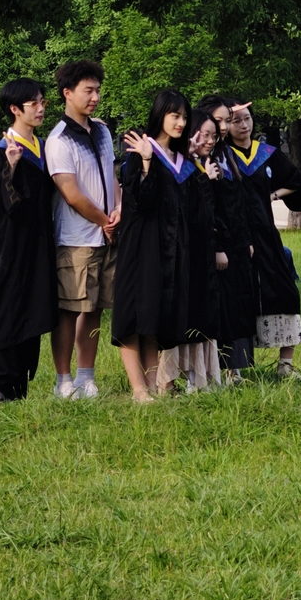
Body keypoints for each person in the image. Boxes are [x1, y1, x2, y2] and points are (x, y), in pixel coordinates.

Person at [0, 79, 59, 404]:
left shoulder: (41, 147)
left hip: (38, 244)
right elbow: (1, 203)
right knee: (9, 307)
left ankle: (18, 386)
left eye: (42, 102)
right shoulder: (2, 152)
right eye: (33, 103)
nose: (40, 108)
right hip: (9, 248)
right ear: (15, 109)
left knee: (32, 307)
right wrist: (10, 166)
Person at [111, 90, 196, 402]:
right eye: (175, 115)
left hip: (170, 250)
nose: (180, 122)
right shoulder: (141, 150)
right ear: (160, 115)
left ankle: (153, 388)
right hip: (142, 246)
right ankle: (138, 389)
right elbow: (138, 202)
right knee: (134, 316)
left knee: (154, 319)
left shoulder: (182, 160)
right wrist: (147, 161)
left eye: (184, 116)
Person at [45, 60, 119, 399]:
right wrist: (105, 221)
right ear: (67, 93)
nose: (95, 97)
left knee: (95, 308)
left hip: (107, 235)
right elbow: (71, 194)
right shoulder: (58, 140)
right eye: (88, 91)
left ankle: (86, 377)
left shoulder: (102, 132)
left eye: (98, 90)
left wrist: (117, 212)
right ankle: (63, 380)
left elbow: (112, 175)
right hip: (76, 239)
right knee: (69, 309)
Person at [226, 101, 301, 378]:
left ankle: (285, 365)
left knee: (286, 293)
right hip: (235, 236)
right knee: (237, 299)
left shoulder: (266, 154)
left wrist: (272, 195)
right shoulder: (222, 156)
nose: (243, 125)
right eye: (236, 120)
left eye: (247, 119)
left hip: (266, 235)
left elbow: (297, 181)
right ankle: (232, 369)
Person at [156, 108, 225, 394]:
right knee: (180, 313)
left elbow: (209, 213)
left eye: (213, 136)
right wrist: (203, 178)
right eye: (203, 134)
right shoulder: (179, 164)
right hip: (182, 252)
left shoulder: (198, 165)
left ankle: (199, 376)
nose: (208, 140)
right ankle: (167, 379)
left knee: (201, 313)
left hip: (201, 253)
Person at [197, 95, 257, 383]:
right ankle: (216, 370)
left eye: (226, 120)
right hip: (216, 244)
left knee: (239, 304)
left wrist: (246, 240)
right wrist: (218, 246)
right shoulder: (202, 158)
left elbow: (237, 201)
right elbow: (211, 207)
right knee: (220, 307)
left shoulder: (226, 154)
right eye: (218, 120)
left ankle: (236, 368)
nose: (223, 126)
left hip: (237, 243)